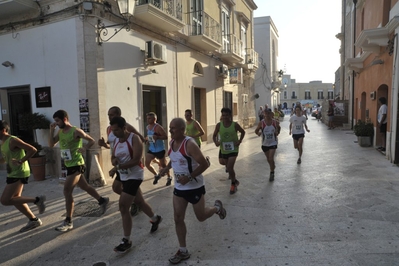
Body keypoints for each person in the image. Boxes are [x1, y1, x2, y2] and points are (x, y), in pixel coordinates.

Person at [159, 118, 226, 264]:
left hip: (194, 186)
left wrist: (189, 177)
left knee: (201, 217)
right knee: (178, 218)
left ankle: (216, 208)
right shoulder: (171, 143)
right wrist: (166, 168)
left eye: (173, 128)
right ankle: (183, 250)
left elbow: (204, 164)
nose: (170, 131)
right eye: (170, 128)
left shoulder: (190, 144)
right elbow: (173, 158)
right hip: (179, 188)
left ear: (182, 129)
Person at [108, 116, 162, 253]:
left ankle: (126, 240)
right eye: (112, 130)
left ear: (124, 128)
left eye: (117, 130)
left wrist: (117, 167)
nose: (114, 132)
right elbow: (113, 156)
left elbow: (136, 160)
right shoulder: (115, 139)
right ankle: (155, 219)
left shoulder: (134, 139)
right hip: (123, 172)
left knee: (123, 205)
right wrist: (114, 162)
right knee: (138, 201)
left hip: (135, 174)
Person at [49, 110, 109, 232]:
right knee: (85, 186)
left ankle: (68, 221)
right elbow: (51, 144)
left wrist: (85, 148)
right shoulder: (60, 131)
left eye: (57, 120)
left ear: (65, 119)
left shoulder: (76, 131)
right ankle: (102, 200)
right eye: (55, 121)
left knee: (67, 190)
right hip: (68, 164)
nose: (56, 123)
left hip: (77, 164)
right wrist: (51, 130)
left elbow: (91, 140)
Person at [0, 120, 46, 233]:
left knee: (5, 200)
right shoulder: (3, 142)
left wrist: (21, 161)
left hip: (19, 172)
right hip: (13, 172)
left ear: (3, 130)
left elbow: (32, 150)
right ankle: (33, 219)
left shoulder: (13, 140)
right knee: (16, 199)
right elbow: (6, 158)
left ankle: (37, 200)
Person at [98, 106, 144, 216]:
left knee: (121, 187)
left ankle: (136, 203)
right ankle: (138, 202)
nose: (109, 117)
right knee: (119, 188)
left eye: (112, 115)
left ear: (119, 115)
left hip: (128, 163)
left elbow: (140, 139)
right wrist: (104, 144)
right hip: (117, 161)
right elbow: (112, 145)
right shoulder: (110, 129)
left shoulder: (127, 127)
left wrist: (132, 154)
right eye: (108, 115)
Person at [212, 107, 246, 194]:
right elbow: (214, 135)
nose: (225, 117)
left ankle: (233, 184)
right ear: (221, 116)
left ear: (230, 116)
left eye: (227, 115)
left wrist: (239, 141)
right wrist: (216, 142)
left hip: (233, 149)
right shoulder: (219, 125)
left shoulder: (235, 125)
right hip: (224, 149)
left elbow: (243, 132)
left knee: (230, 168)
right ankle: (235, 180)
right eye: (223, 115)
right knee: (228, 167)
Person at [144, 112, 172, 186]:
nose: (148, 120)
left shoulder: (158, 127)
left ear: (154, 119)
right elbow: (150, 136)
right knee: (147, 163)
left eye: (149, 118)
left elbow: (165, 137)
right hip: (152, 149)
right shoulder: (147, 127)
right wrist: (147, 141)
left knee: (163, 165)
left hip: (160, 149)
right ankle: (156, 175)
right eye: (147, 118)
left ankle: (169, 177)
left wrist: (158, 137)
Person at [255, 109, 280, 182]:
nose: (268, 115)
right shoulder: (261, 123)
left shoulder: (275, 122)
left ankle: (272, 172)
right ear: (264, 114)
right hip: (265, 144)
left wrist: (277, 132)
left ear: (271, 114)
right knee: (268, 159)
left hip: (273, 143)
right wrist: (258, 133)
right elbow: (256, 131)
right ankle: (272, 166)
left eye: (269, 113)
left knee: (270, 158)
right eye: (266, 113)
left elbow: (279, 129)